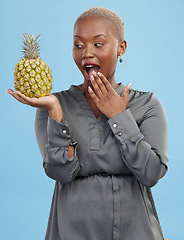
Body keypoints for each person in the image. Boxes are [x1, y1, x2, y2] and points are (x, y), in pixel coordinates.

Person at [7, 7, 168, 240]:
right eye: (79, 45)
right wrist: (55, 112)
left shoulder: (148, 104)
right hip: (69, 233)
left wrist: (119, 117)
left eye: (98, 44)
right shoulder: (54, 105)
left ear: (121, 47)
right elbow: (60, 171)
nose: (86, 54)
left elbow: (151, 173)